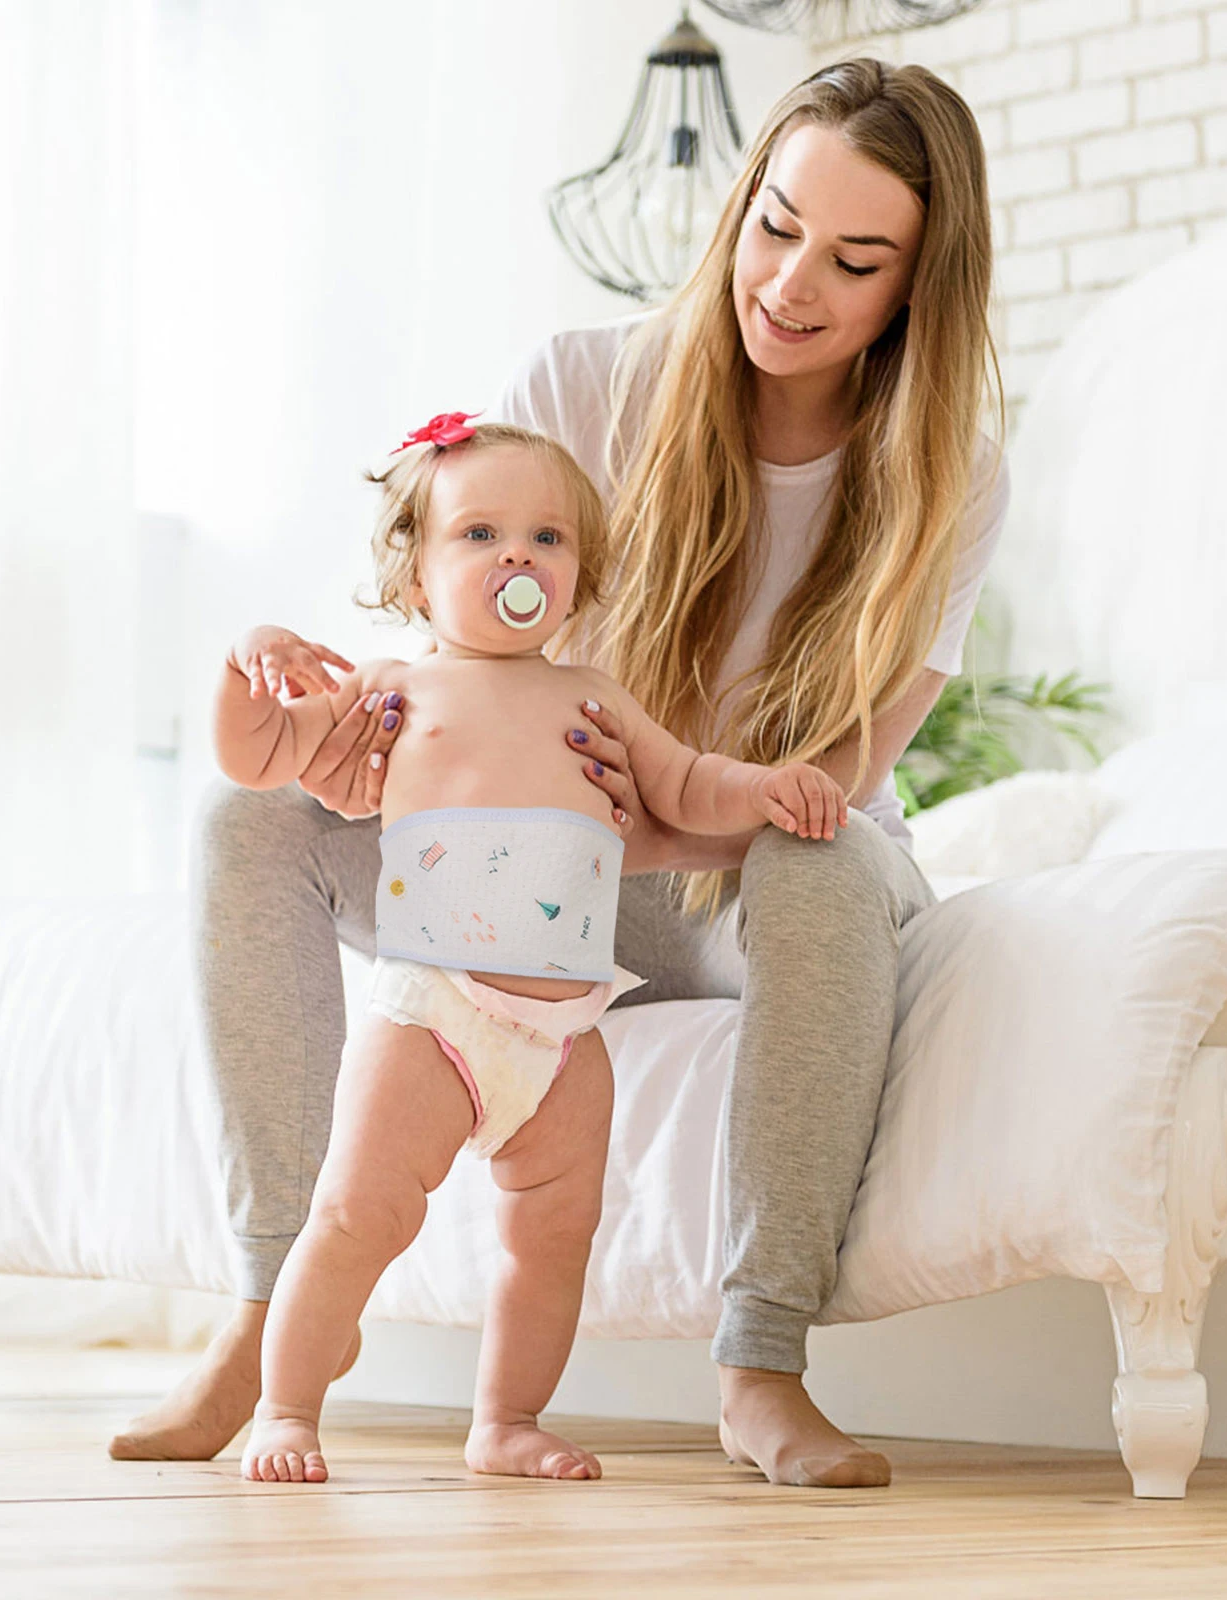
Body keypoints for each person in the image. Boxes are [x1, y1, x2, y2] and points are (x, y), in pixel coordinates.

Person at [112, 57, 1010, 1490]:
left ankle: (761, 1361)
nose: (789, 284)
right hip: (562, 872)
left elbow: (838, 769)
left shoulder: (946, 475)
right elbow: (484, 661)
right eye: (774, 226)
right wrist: (380, 765)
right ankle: (275, 1311)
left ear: (918, 286)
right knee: (250, 819)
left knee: (819, 853)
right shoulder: (586, 381)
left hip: (733, 870)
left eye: (854, 261)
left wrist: (656, 832)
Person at [216, 420, 847, 1484]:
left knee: (553, 1237)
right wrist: (253, 666)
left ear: (578, 574)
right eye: (481, 534)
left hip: (562, 1035)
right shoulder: (395, 691)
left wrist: (767, 786)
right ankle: (285, 1407)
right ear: (415, 577)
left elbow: (687, 785)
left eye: (547, 537)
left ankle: (505, 1419)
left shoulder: (592, 696)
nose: (519, 558)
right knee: (356, 1213)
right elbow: (259, 756)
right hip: (435, 1012)